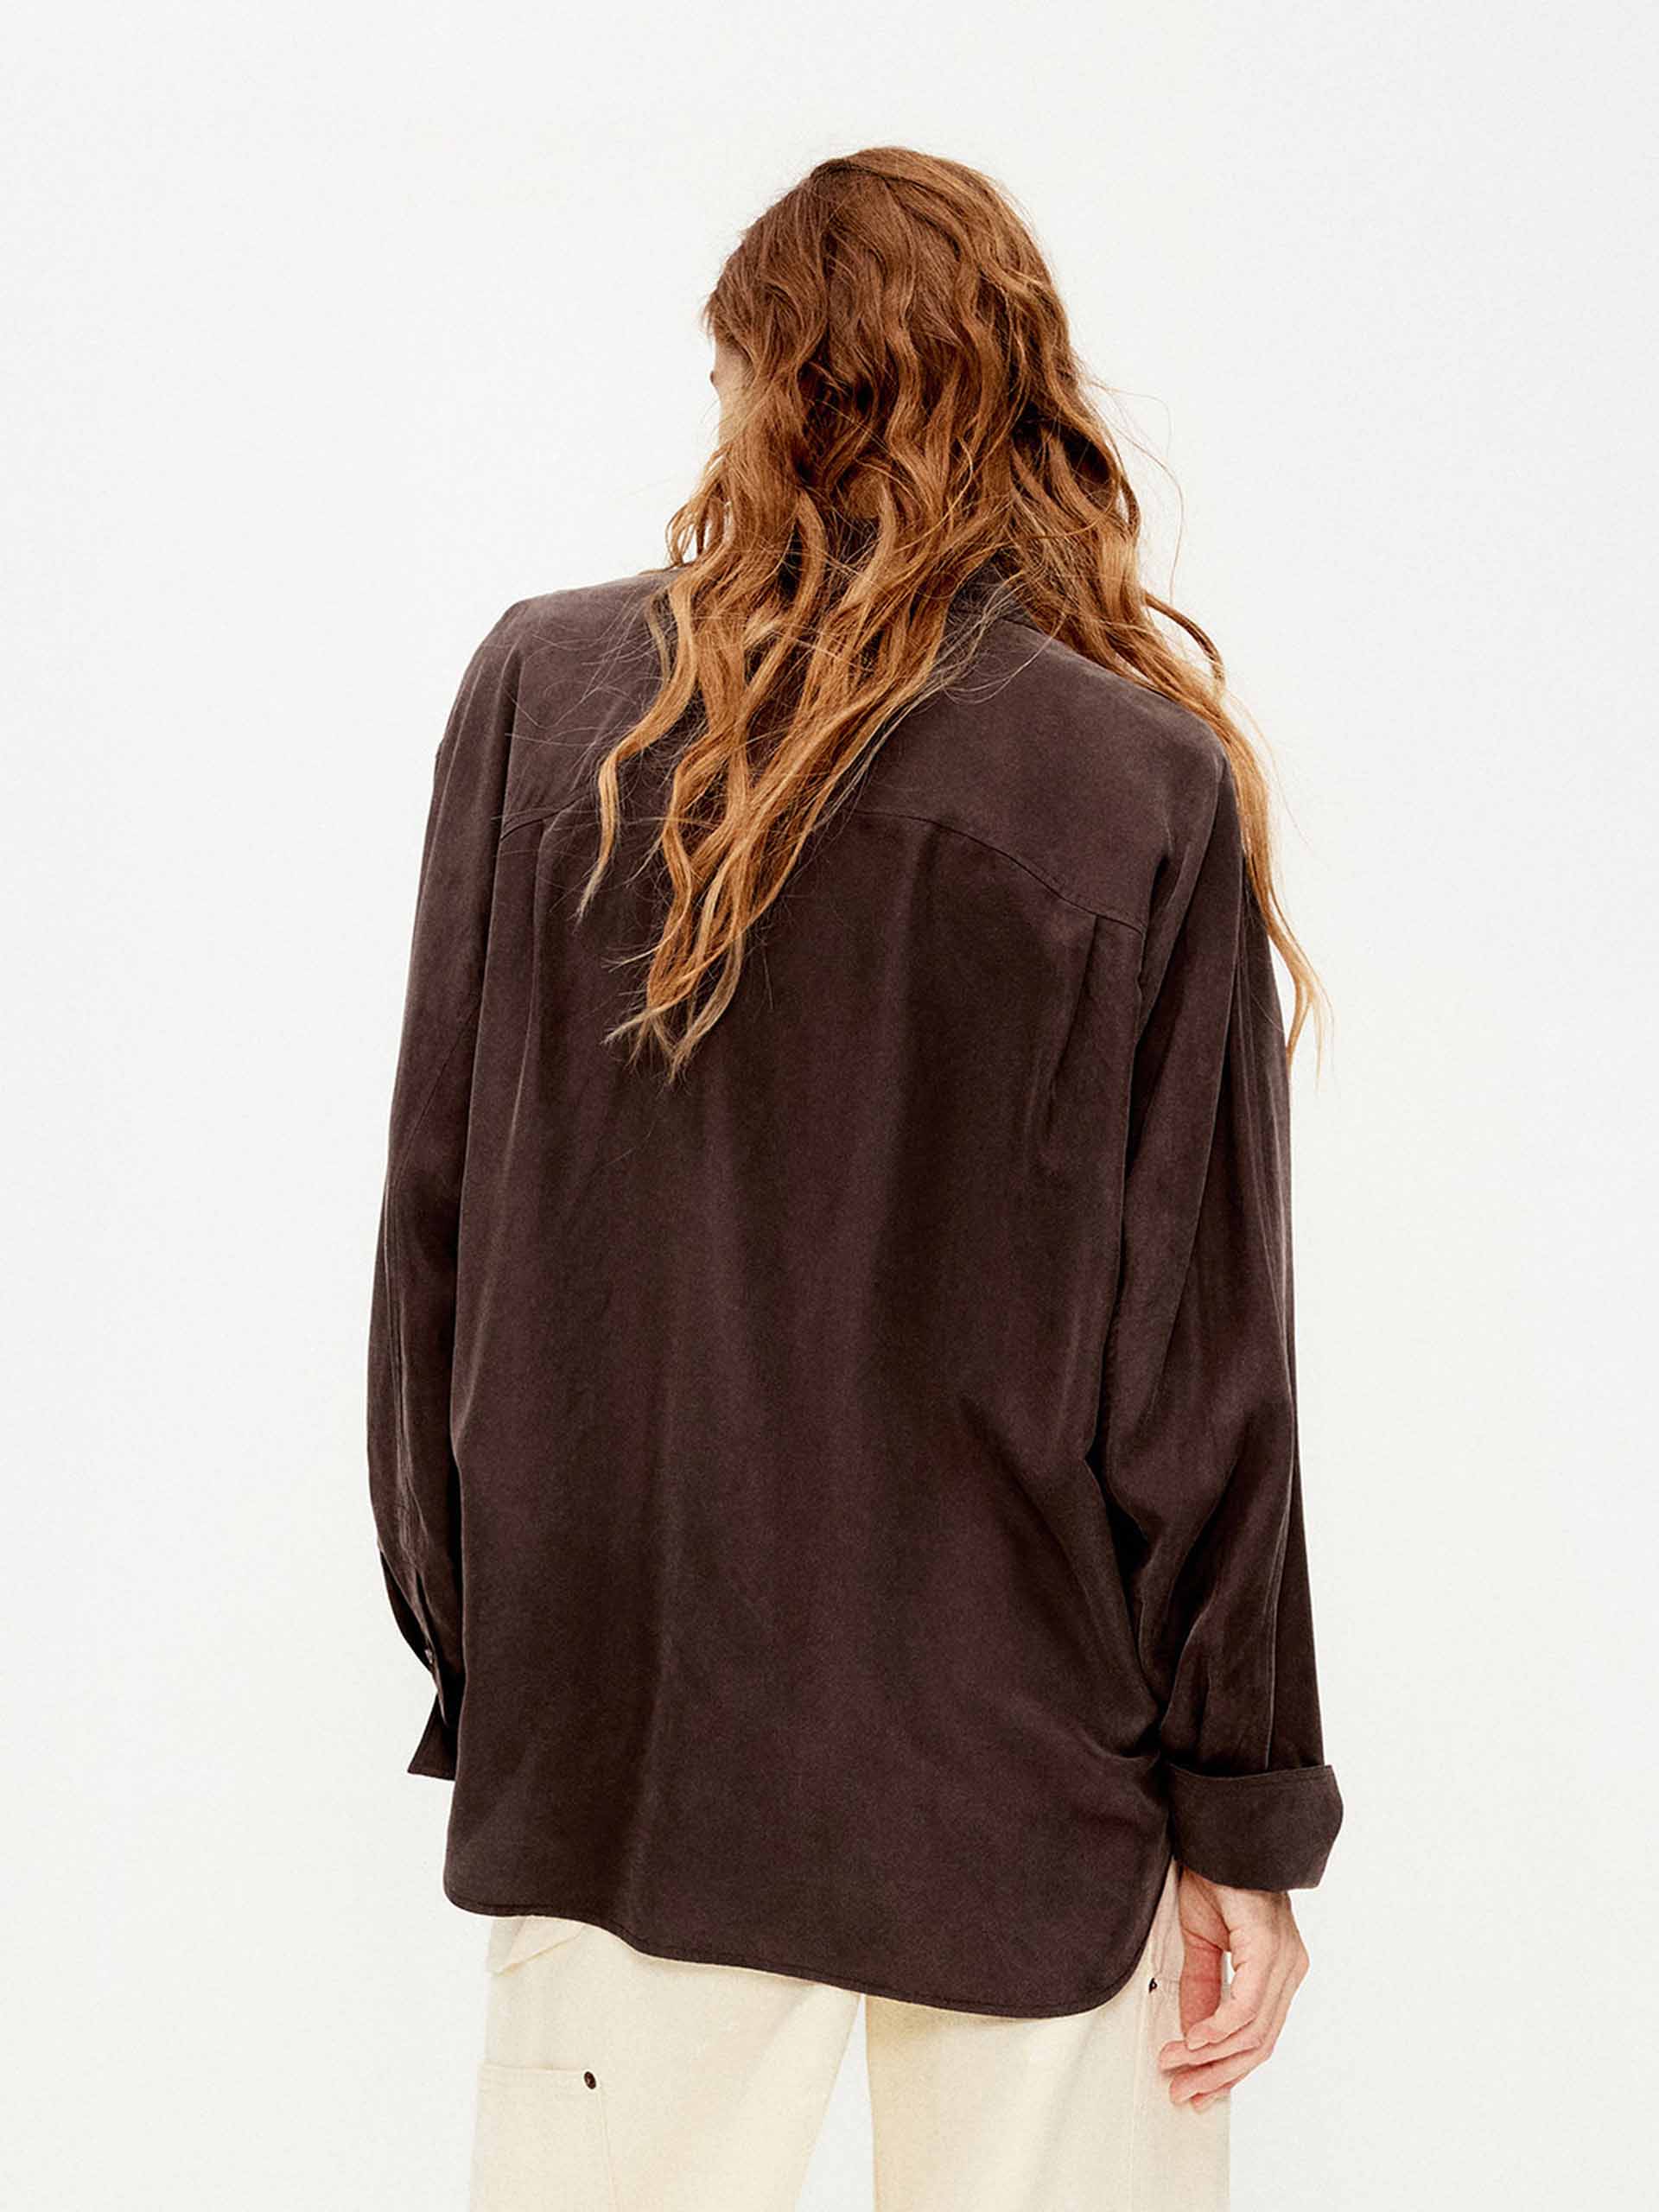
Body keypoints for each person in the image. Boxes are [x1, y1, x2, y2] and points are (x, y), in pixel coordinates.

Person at [367, 144, 1344, 2212]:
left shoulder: (545, 698)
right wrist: (1242, 1806)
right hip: (1026, 1752)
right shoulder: (1131, 776)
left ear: (751, 382)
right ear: (1022, 397)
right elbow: (1202, 1370)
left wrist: (501, 1644)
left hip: (629, 1733)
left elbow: (435, 1242)